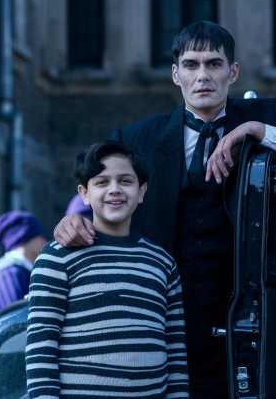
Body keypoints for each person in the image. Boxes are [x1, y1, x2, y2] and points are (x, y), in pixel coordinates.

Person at [53, 21, 276, 398]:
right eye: (191, 65)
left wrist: (258, 131)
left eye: (214, 64)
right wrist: (75, 221)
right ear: (175, 74)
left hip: (245, 323)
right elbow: (108, 196)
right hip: (161, 322)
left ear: (233, 72)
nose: (203, 76)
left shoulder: (266, 116)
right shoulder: (136, 138)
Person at [26, 140, 189, 399]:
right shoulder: (57, 257)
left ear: (142, 191)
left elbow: (175, 349)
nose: (114, 189)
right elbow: (41, 345)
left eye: (125, 181)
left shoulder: (162, 262)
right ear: (84, 194)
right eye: (102, 182)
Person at [0, 210, 47, 316]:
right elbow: (18, 318)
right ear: (25, 238)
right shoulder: (8, 275)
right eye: (40, 237)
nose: (44, 242)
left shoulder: (21, 272)